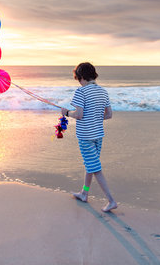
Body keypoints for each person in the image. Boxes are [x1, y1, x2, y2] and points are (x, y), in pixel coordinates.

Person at [61, 62, 117, 212]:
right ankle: (84, 193)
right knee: (90, 165)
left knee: (95, 168)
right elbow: (109, 115)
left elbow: (78, 115)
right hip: (98, 135)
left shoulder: (81, 92)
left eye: (78, 78)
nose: (78, 81)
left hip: (86, 136)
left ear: (81, 77)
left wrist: (66, 113)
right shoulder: (103, 92)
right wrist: (94, 118)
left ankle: (111, 201)